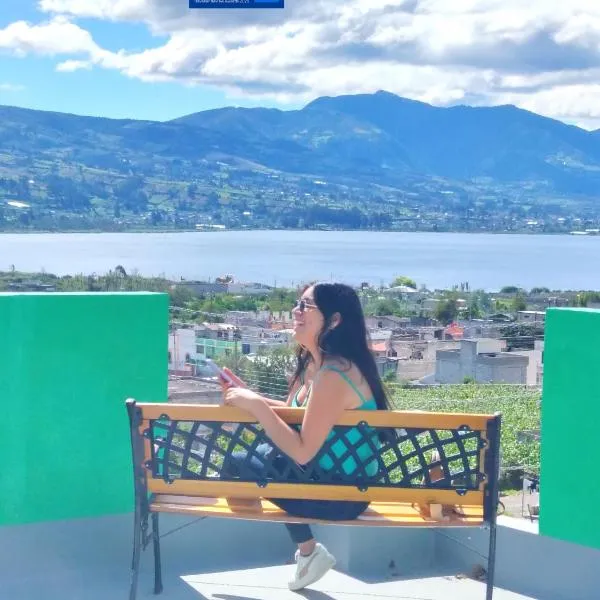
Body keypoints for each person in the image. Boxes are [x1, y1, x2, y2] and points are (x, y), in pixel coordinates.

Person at [219, 282, 391, 591]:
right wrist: (248, 396)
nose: (295, 311)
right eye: (297, 304)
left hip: (341, 496)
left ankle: (307, 550)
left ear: (334, 320)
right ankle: (308, 552)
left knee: (240, 462)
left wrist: (256, 406)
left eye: (305, 306)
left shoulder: (334, 375)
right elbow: (294, 416)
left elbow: (302, 451)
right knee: (267, 455)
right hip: (326, 482)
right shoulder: (316, 365)